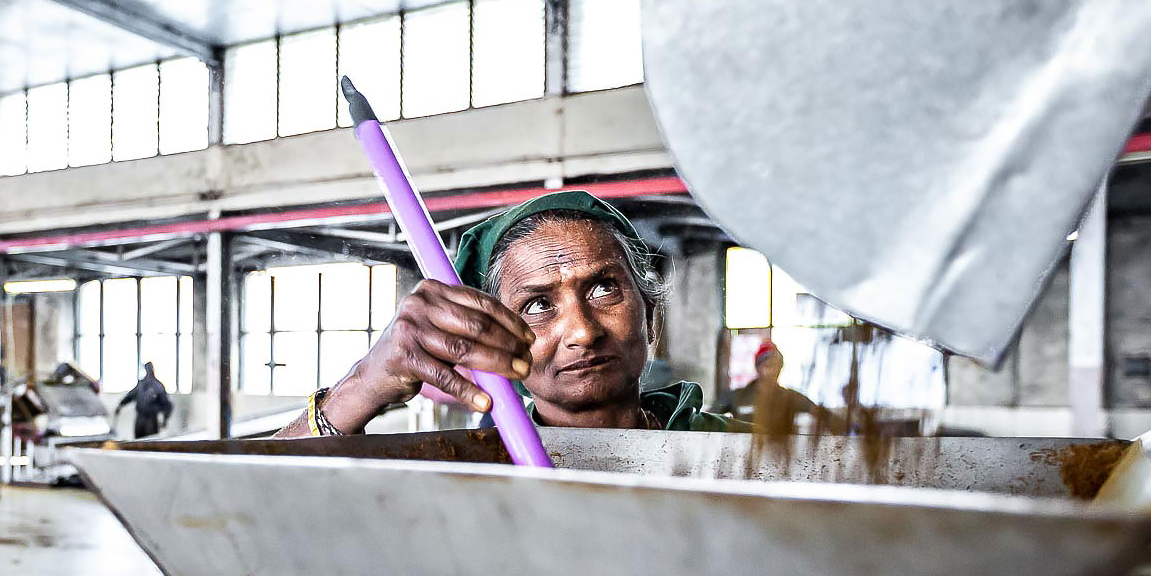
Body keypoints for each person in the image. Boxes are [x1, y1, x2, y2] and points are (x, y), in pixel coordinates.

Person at [279, 190, 740, 436]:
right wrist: (361, 385)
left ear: (652, 317)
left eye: (603, 289)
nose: (581, 331)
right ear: (492, 339)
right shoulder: (469, 466)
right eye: (538, 306)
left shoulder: (742, 455)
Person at [118, 361, 173, 438]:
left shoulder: (158, 386)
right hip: (140, 419)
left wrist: (165, 419)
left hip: (151, 420)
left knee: (150, 443)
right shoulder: (141, 385)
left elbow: (167, 405)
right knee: (138, 443)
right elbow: (129, 396)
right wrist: (120, 405)